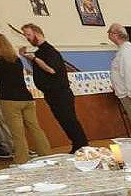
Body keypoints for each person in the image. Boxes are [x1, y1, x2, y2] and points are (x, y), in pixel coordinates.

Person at [0, 31, 51, 164]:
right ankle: (46, 154)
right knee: (35, 128)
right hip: (27, 98)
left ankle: (21, 159)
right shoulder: (16, 59)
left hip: (9, 100)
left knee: (17, 133)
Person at [19, 23, 90, 152]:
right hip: (51, 94)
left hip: (60, 93)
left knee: (69, 120)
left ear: (37, 33)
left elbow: (51, 70)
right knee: (64, 121)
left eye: (28, 35)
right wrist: (28, 58)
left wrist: (34, 59)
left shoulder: (49, 51)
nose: (27, 38)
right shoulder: (40, 52)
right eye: (25, 36)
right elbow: (41, 68)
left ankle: (82, 145)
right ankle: (77, 144)